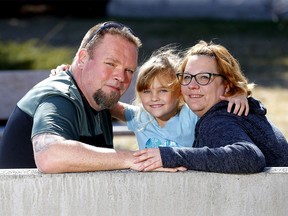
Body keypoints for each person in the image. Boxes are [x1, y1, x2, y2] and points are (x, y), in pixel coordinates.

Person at [0, 21, 145, 173]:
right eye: (110, 63)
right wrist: (132, 159)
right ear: (83, 58)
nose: (121, 77)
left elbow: (146, 118)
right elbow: (50, 155)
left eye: (129, 70)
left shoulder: (98, 99)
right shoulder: (59, 97)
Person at [133, 40, 288, 174]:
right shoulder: (229, 112)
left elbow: (249, 157)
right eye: (187, 77)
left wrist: (169, 156)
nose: (192, 85)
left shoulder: (219, 119)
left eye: (204, 78)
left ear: (226, 86)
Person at [110, 46, 249, 150]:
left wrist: (239, 94)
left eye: (163, 90)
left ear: (179, 92)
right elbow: (108, 104)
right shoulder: (140, 117)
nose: (154, 98)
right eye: (146, 91)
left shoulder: (190, 114)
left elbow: (218, 96)